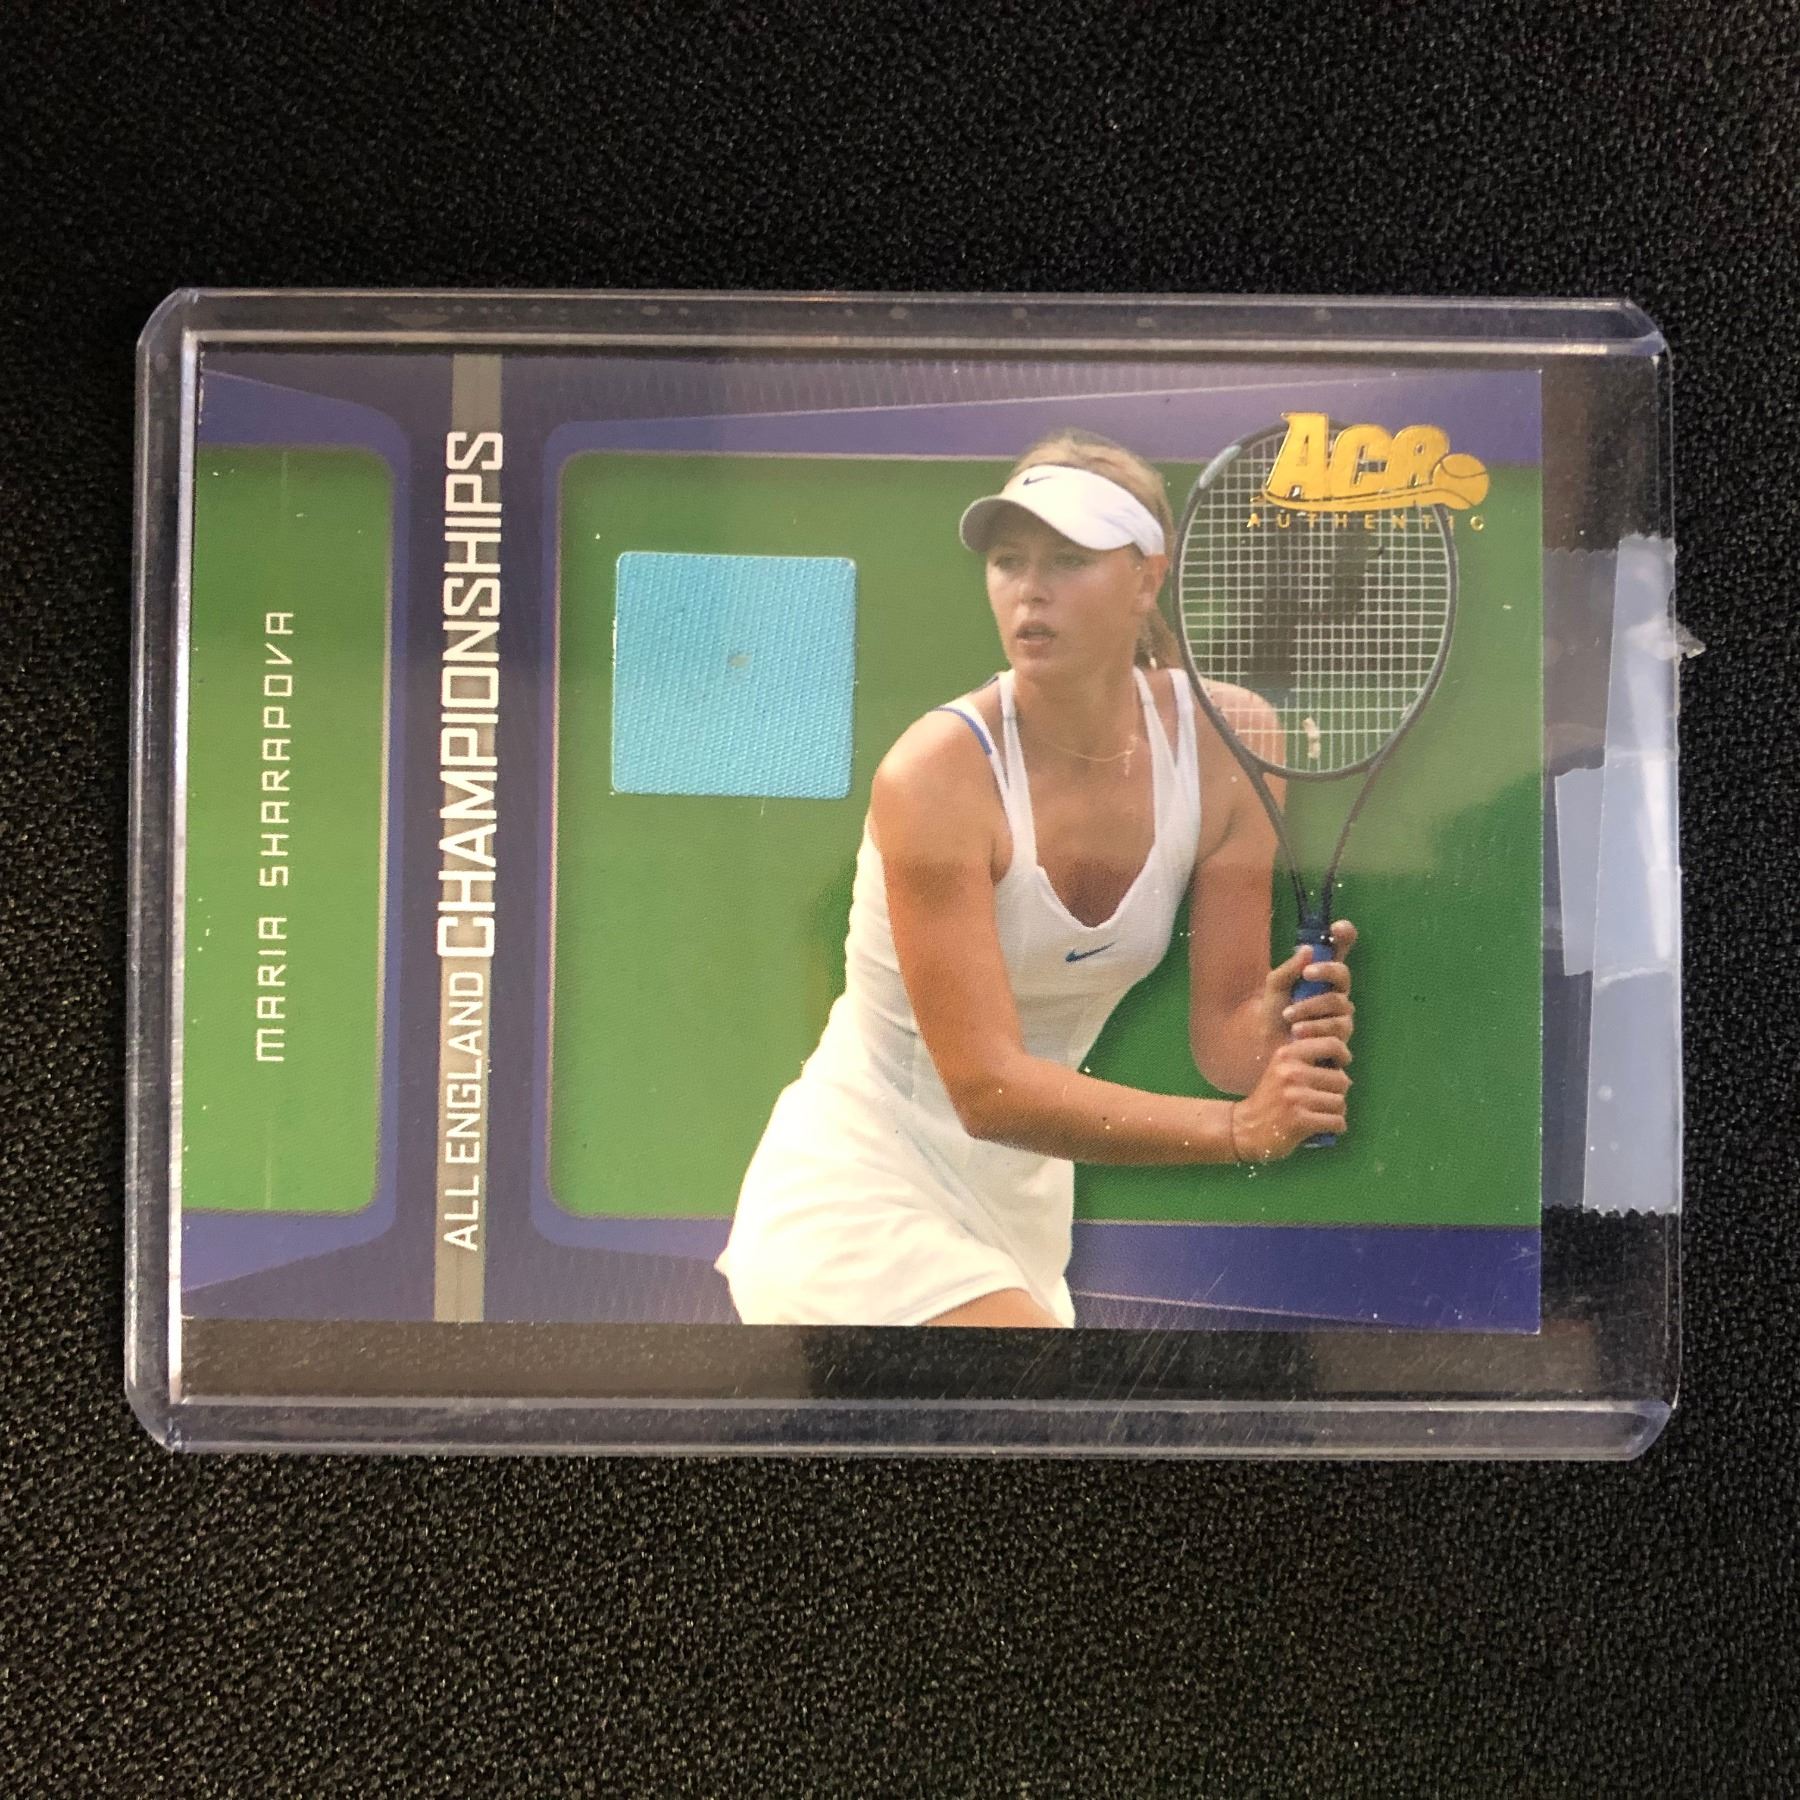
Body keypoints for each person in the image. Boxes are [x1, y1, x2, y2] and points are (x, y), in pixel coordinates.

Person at [717, 429, 1355, 1329]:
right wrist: (1237, 1131)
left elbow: (1225, 1041)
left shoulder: (1231, 743)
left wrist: (1284, 1029)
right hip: (851, 1199)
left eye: (1069, 559)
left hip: (1020, 1221)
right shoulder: (937, 774)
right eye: (1009, 560)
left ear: (1146, 580)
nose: (1030, 588)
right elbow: (987, 1091)